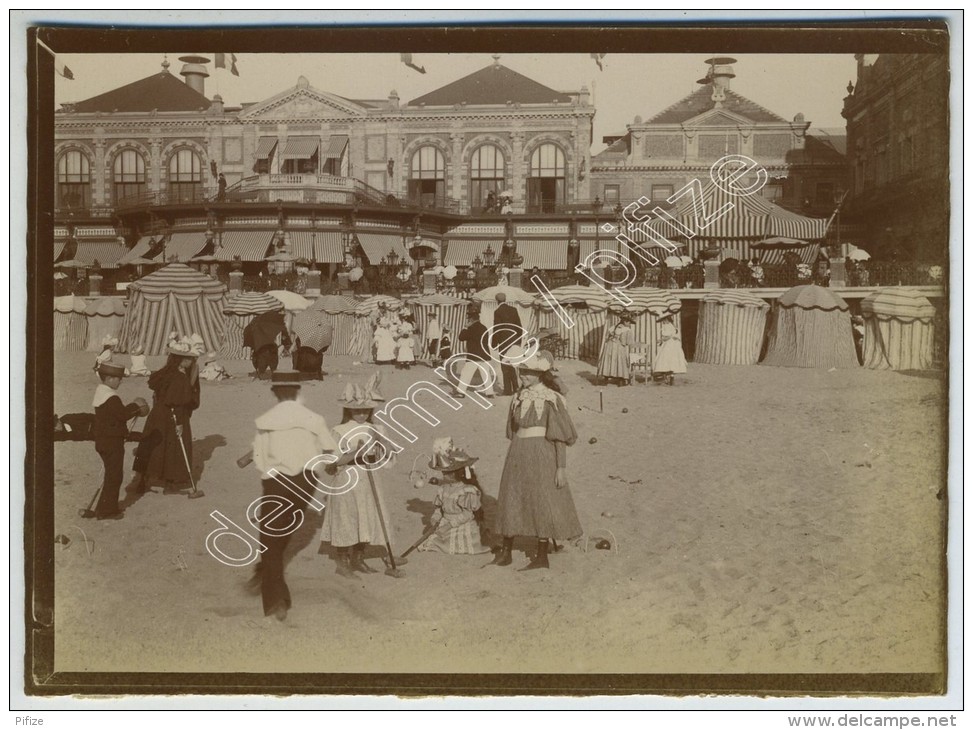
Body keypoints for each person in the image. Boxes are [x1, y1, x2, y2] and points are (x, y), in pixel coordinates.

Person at [251, 370, 340, 621]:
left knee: (269, 542)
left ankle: (276, 601)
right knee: (282, 535)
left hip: (277, 483)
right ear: (297, 391)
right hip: (306, 483)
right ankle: (269, 574)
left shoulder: (266, 420)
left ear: (274, 393)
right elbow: (330, 451)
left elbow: (259, 457)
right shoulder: (313, 418)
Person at [490, 349, 582, 570]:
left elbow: (560, 436)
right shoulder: (519, 397)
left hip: (542, 453)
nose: (522, 376)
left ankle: (541, 556)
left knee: (543, 499)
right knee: (512, 495)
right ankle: (506, 551)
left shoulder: (552, 399)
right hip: (518, 452)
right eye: (521, 372)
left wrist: (561, 467)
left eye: (527, 373)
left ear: (539, 374)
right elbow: (512, 430)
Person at [320, 373, 395, 577]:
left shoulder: (376, 428)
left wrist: (385, 446)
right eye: (357, 411)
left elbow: (387, 460)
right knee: (347, 517)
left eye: (366, 411)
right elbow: (331, 461)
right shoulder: (340, 430)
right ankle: (343, 562)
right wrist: (355, 453)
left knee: (367, 516)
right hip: (347, 478)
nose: (362, 415)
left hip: (369, 477)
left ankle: (358, 558)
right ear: (348, 409)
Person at [132, 335, 202, 493]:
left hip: (157, 414)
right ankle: (171, 483)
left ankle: (142, 480)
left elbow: (157, 391)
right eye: (189, 359)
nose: (192, 362)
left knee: (152, 445)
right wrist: (180, 424)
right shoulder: (181, 378)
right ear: (182, 360)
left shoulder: (165, 373)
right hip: (174, 416)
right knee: (174, 447)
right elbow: (177, 401)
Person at [86, 362, 148, 520]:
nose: (120, 381)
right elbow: (122, 415)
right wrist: (136, 406)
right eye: (118, 378)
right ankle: (107, 511)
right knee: (115, 476)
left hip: (102, 441)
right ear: (108, 378)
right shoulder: (111, 397)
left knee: (111, 475)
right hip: (112, 443)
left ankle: (103, 507)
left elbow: (115, 416)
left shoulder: (100, 393)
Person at [418, 439, 491, 555]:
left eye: (448, 473)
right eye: (444, 472)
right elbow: (439, 508)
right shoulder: (443, 489)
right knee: (431, 540)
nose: (444, 475)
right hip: (445, 522)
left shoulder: (466, 490)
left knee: (444, 543)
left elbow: (467, 514)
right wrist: (435, 518)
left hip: (460, 525)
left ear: (458, 474)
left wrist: (448, 526)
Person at [455, 308, 493, 399]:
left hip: (474, 355)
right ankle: (490, 393)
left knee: (466, 374)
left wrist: (465, 327)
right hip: (484, 355)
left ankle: (461, 392)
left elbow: (461, 337)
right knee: (486, 374)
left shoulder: (471, 328)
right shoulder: (484, 327)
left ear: (471, 319)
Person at [244, 311, 291, 379]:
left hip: (262, 354)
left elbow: (254, 356)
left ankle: (262, 372)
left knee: (260, 363)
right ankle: (272, 371)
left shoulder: (255, 332)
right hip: (272, 352)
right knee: (272, 363)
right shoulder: (271, 329)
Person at [492, 292, 523, 396]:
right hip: (514, 341)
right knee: (512, 364)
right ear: (505, 300)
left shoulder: (497, 311)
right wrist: (518, 341)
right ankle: (516, 387)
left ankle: (507, 390)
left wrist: (493, 343)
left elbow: (497, 328)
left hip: (504, 342)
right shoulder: (513, 310)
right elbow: (519, 327)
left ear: (497, 301)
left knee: (505, 366)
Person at [597, 314, 636, 386]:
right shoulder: (627, 330)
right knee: (620, 361)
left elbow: (608, 336)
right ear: (625, 322)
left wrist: (613, 337)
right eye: (629, 322)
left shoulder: (614, 327)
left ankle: (606, 378)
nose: (629, 324)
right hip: (618, 346)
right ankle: (620, 379)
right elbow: (626, 342)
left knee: (609, 361)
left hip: (610, 345)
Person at [652, 312, 687, 385]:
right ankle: (670, 376)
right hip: (671, 344)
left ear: (667, 319)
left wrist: (661, 340)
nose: (663, 321)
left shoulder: (668, 326)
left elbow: (669, 337)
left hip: (669, 344)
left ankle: (668, 376)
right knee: (670, 360)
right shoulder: (671, 326)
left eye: (664, 320)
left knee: (666, 358)